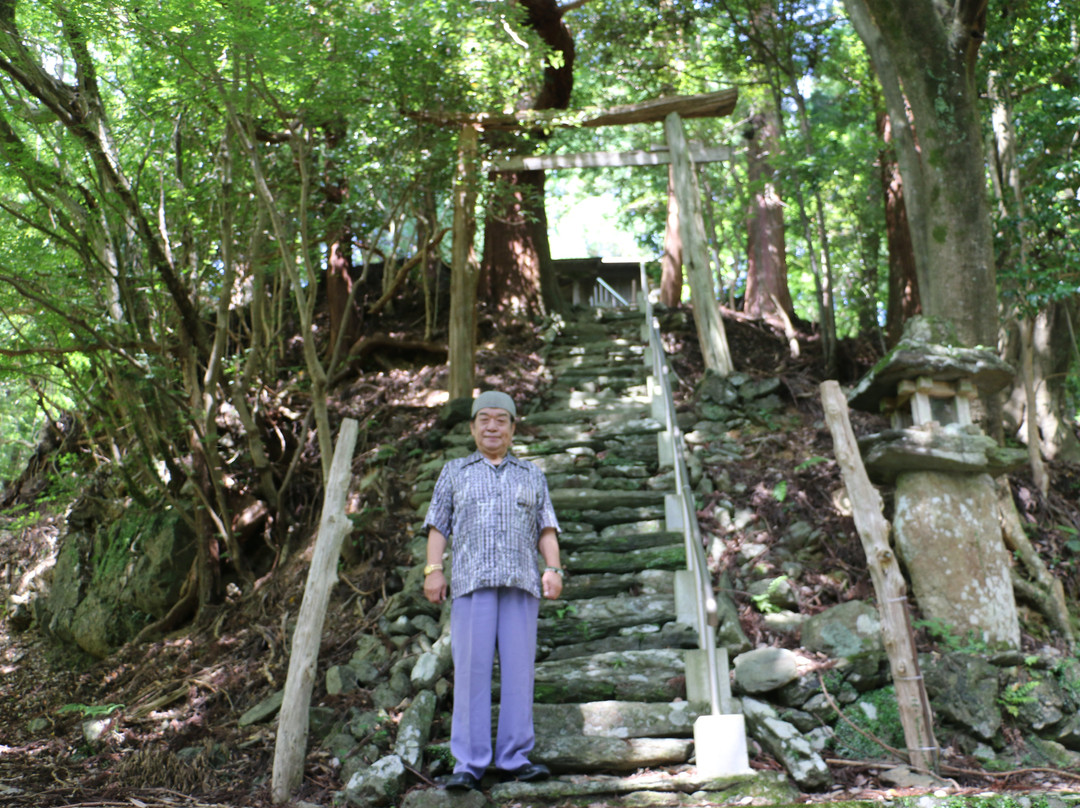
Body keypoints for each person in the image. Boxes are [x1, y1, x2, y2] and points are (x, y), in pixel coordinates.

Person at [422, 390, 564, 791]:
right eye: (484, 419)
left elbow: (546, 527)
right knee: (471, 672)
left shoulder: (532, 474)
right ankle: (469, 763)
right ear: (472, 427)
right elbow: (438, 525)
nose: (492, 426)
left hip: (521, 582)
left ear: (513, 428)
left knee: (519, 672)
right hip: (472, 584)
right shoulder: (454, 472)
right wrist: (434, 570)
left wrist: (553, 568)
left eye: (501, 420)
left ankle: (515, 757)